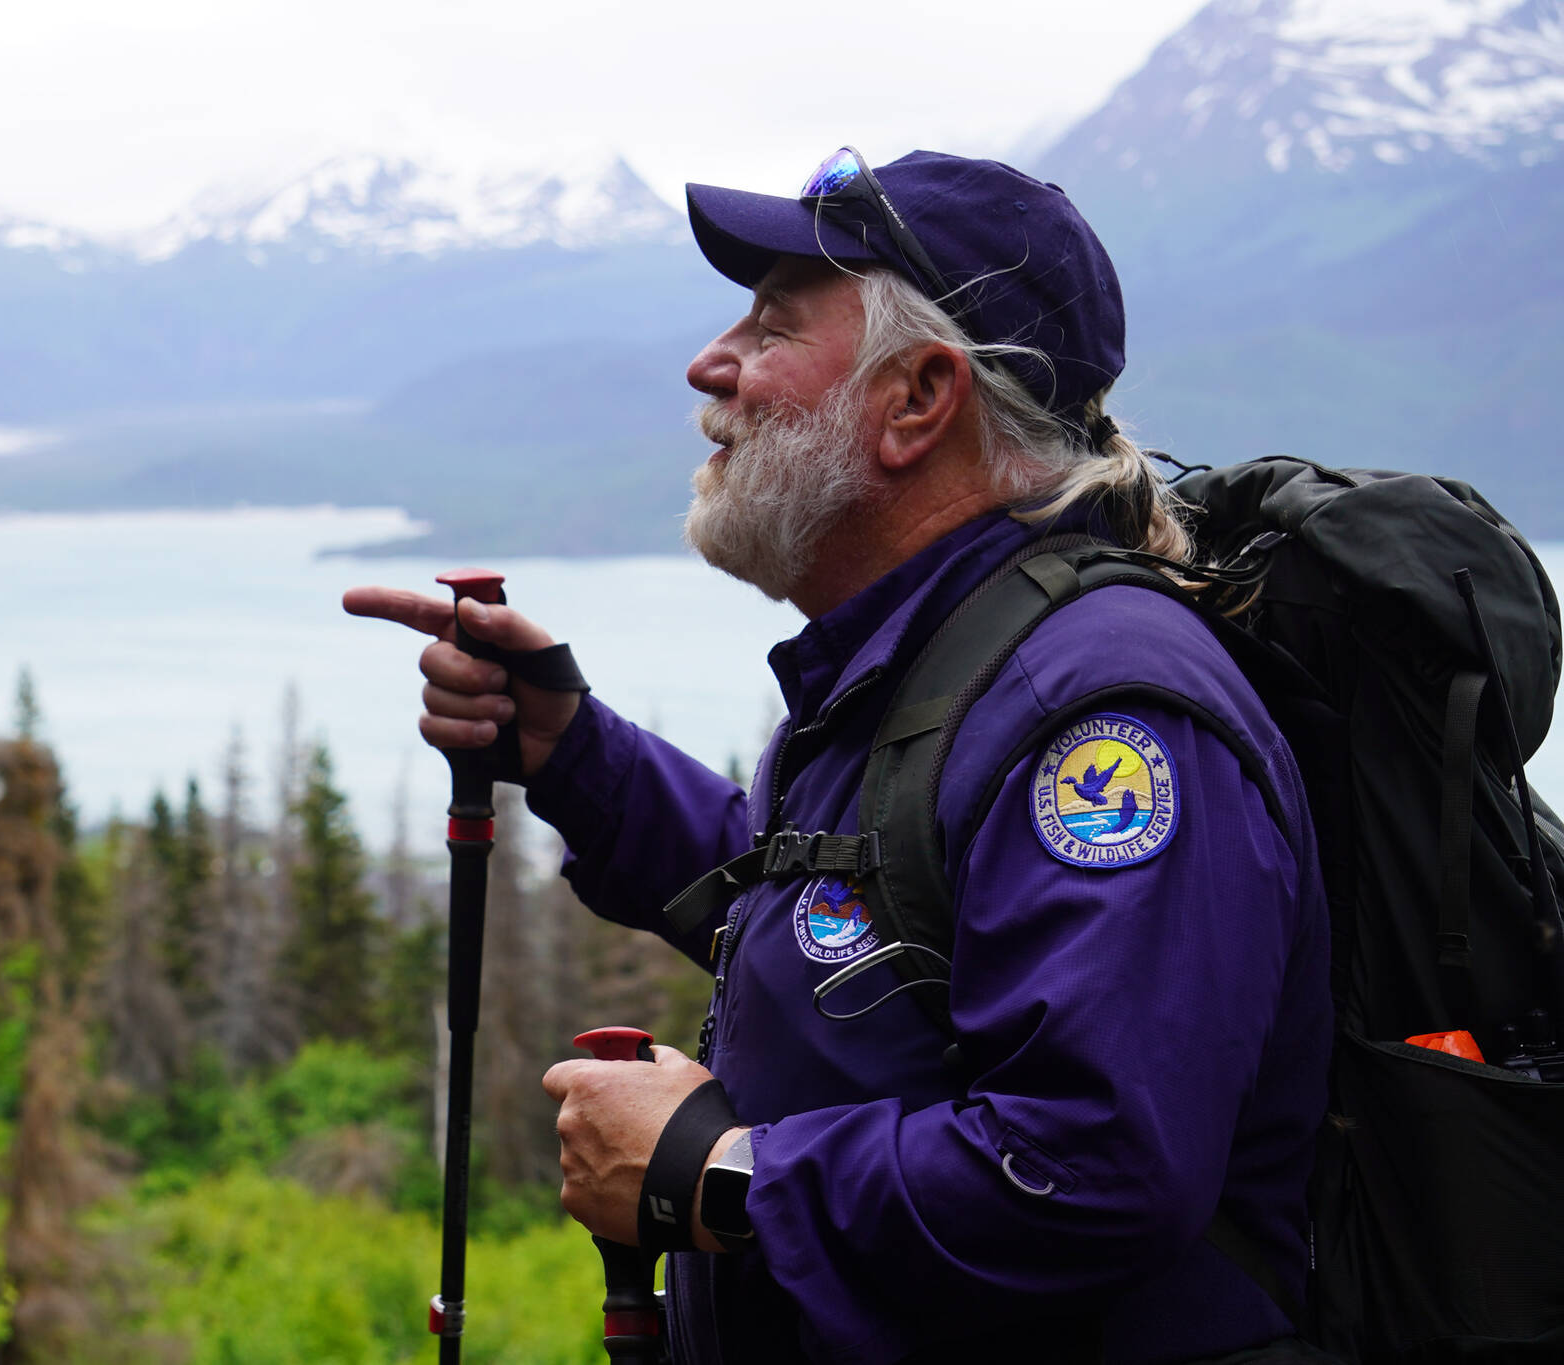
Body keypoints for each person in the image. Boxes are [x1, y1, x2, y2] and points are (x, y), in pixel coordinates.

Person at [344, 147, 1332, 1363]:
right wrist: (572, 754)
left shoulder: (1102, 719)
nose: (710, 368)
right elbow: (845, 928)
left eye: (768, 328)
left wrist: (718, 1177)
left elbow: (1096, 1165)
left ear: (917, 398)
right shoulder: (928, 659)